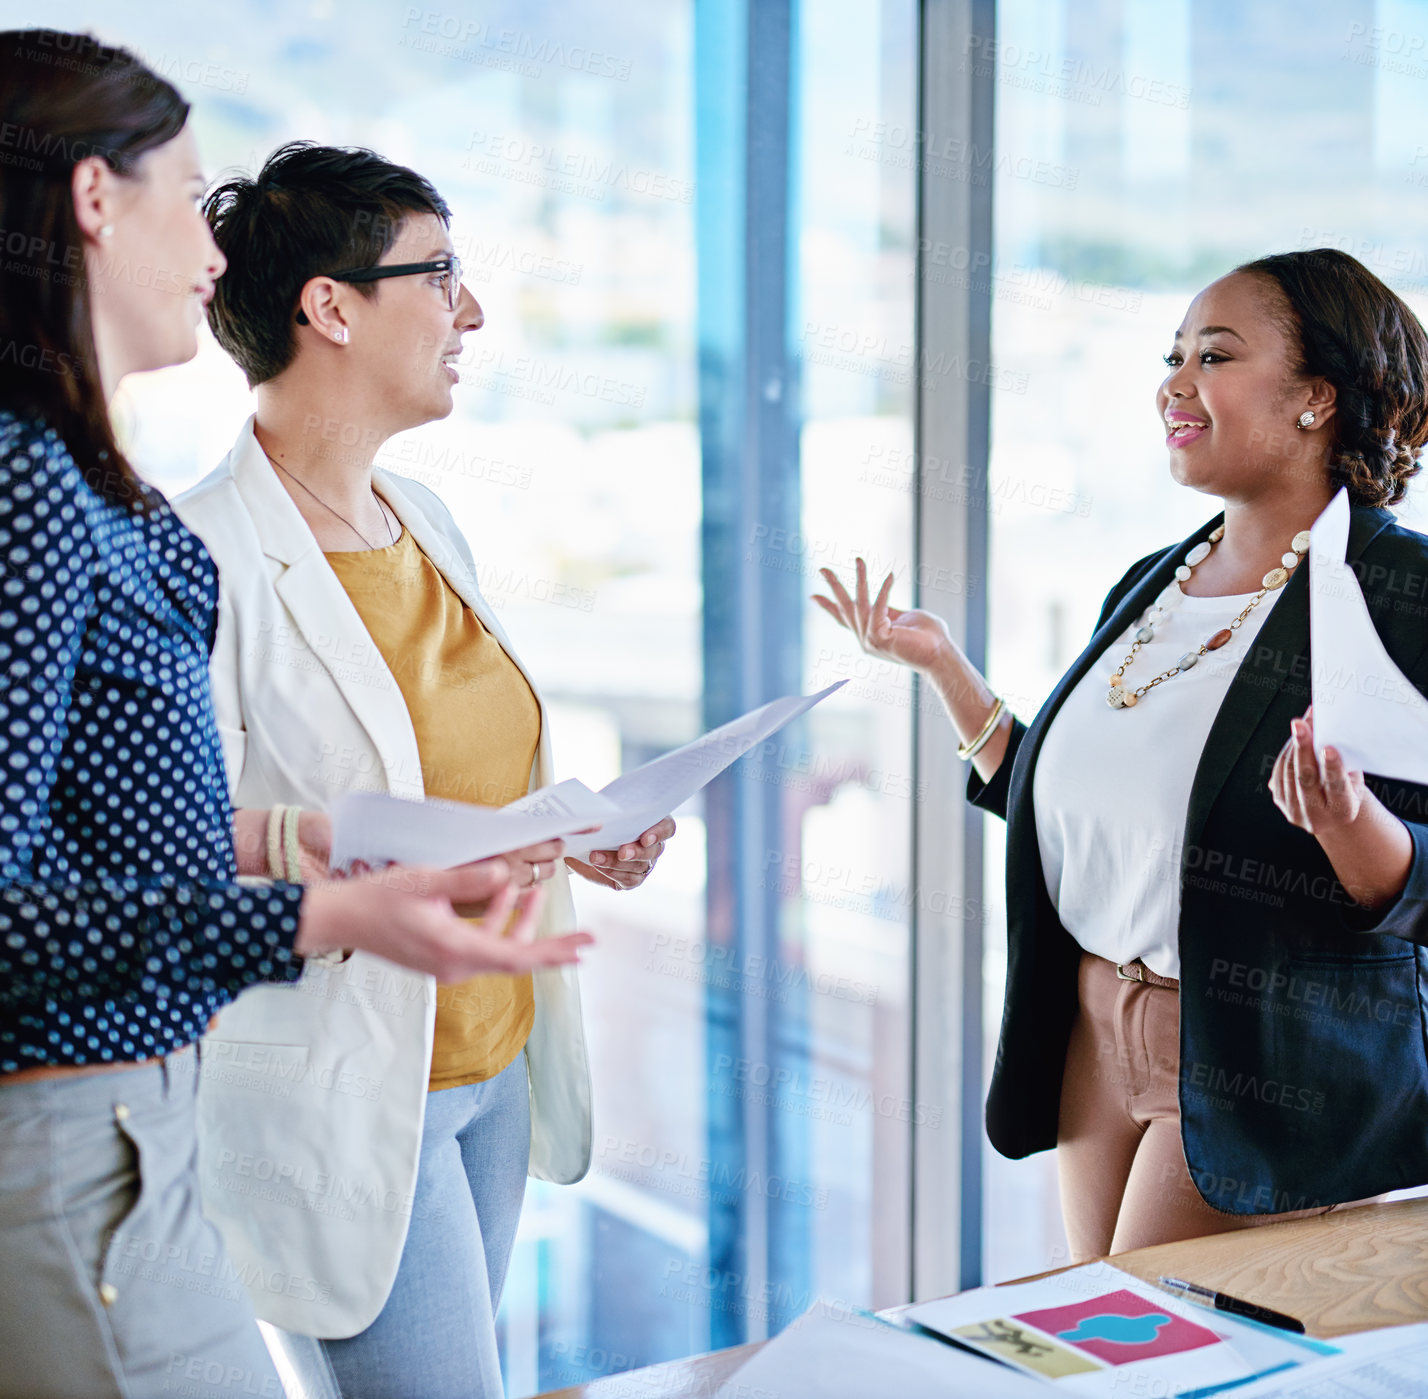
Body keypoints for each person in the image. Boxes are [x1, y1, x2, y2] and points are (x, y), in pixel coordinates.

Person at [0, 32, 592, 1399]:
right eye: (182, 190)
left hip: (144, 1124)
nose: (211, 257)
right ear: (95, 199)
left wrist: (291, 839)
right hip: (98, 1134)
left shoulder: (93, 485)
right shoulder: (40, 486)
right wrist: (323, 911)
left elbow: (120, 826)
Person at [172, 142, 676, 1398]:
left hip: (490, 1064)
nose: (473, 310)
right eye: (439, 272)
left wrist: (576, 836)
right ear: (328, 307)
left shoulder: (424, 519)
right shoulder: (197, 555)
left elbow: (451, 779)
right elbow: (167, 848)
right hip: (342, 1097)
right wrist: (341, 855)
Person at [815, 249, 1428, 1261]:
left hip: (1257, 1057)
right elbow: (1088, 815)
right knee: (1094, 1357)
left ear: (1318, 397)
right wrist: (943, 669)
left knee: (1155, 1357)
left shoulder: (1399, 593)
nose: (1174, 385)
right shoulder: (1153, 582)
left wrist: (1349, 825)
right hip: (1096, 1033)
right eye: (1173, 354)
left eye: (1215, 355)